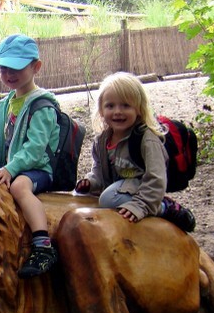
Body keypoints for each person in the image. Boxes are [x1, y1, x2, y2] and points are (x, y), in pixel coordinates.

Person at [75, 72, 195, 232]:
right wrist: (90, 182)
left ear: (139, 108)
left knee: (108, 199)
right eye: (110, 106)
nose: (117, 111)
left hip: (143, 187)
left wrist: (141, 205)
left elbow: (156, 177)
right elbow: (99, 171)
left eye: (125, 105)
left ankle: (164, 206)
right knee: (79, 197)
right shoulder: (102, 140)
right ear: (101, 110)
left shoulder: (146, 139)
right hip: (120, 187)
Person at [0, 34, 60, 279]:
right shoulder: (7, 103)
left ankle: (42, 246)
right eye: (3, 69)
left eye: (15, 68)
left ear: (36, 67)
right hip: (14, 166)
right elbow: (0, 140)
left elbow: (36, 148)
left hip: (38, 169)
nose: (8, 74)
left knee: (18, 187)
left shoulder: (42, 105)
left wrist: (11, 168)